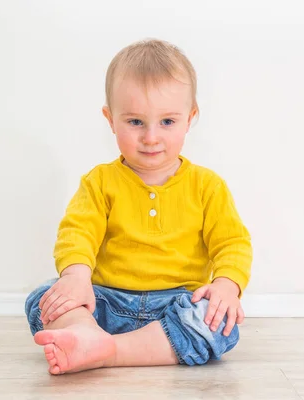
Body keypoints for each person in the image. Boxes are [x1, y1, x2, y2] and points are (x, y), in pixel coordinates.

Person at [24, 38, 253, 375]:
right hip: (105, 302)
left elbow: (233, 243)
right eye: (135, 122)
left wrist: (225, 286)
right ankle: (86, 332)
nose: (151, 137)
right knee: (44, 297)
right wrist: (76, 276)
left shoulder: (207, 186)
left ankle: (108, 351)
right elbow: (78, 233)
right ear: (110, 119)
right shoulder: (99, 181)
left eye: (167, 122)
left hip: (175, 307)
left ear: (190, 119)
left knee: (217, 322)